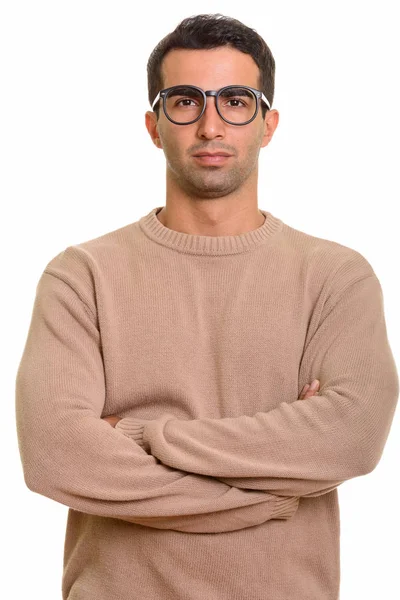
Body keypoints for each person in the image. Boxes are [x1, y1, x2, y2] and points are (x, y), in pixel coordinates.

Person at [15, 12, 398, 600]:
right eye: (186, 102)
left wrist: (143, 433)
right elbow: (56, 456)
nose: (211, 126)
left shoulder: (335, 277)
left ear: (268, 124)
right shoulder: (82, 276)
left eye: (236, 101)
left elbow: (349, 438)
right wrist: (264, 494)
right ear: (153, 125)